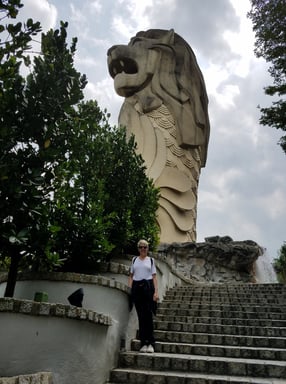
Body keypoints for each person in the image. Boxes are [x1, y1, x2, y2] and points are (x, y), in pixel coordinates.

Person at [128, 239, 159, 353]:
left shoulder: (151, 260)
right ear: (138, 249)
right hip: (137, 288)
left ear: (148, 248)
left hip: (148, 287)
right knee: (141, 316)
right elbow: (131, 276)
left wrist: (156, 292)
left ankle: (150, 343)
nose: (143, 249)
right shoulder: (134, 260)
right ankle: (143, 343)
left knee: (148, 316)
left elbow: (154, 277)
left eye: (145, 247)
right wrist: (130, 289)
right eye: (141, 247)